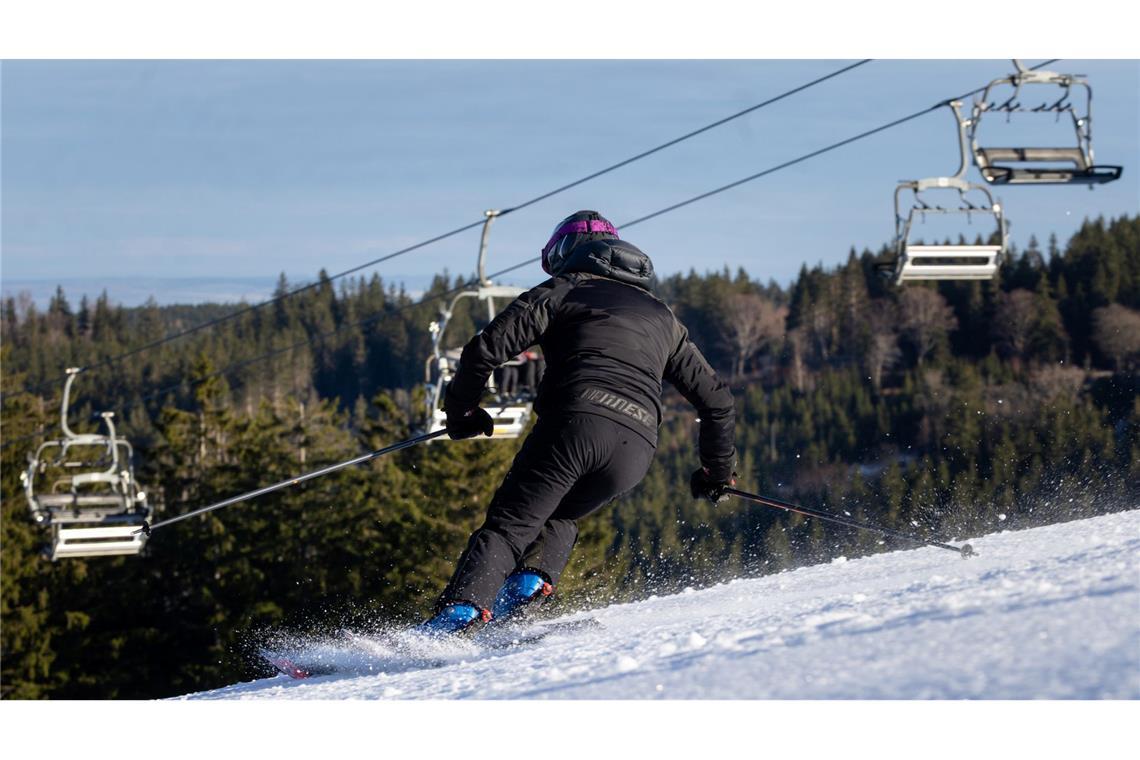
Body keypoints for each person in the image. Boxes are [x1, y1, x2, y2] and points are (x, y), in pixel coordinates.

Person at [422, 210, 736, 635]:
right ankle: (524, 589)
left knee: (509, 526)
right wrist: (716, 472)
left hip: (574, 424)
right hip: (636, 448)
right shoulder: (664, 318)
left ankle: (455, 618)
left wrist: (461, 412)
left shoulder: (563, 290)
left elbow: (484, 351)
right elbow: (716, 401)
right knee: (561, 513)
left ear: (568, 254)